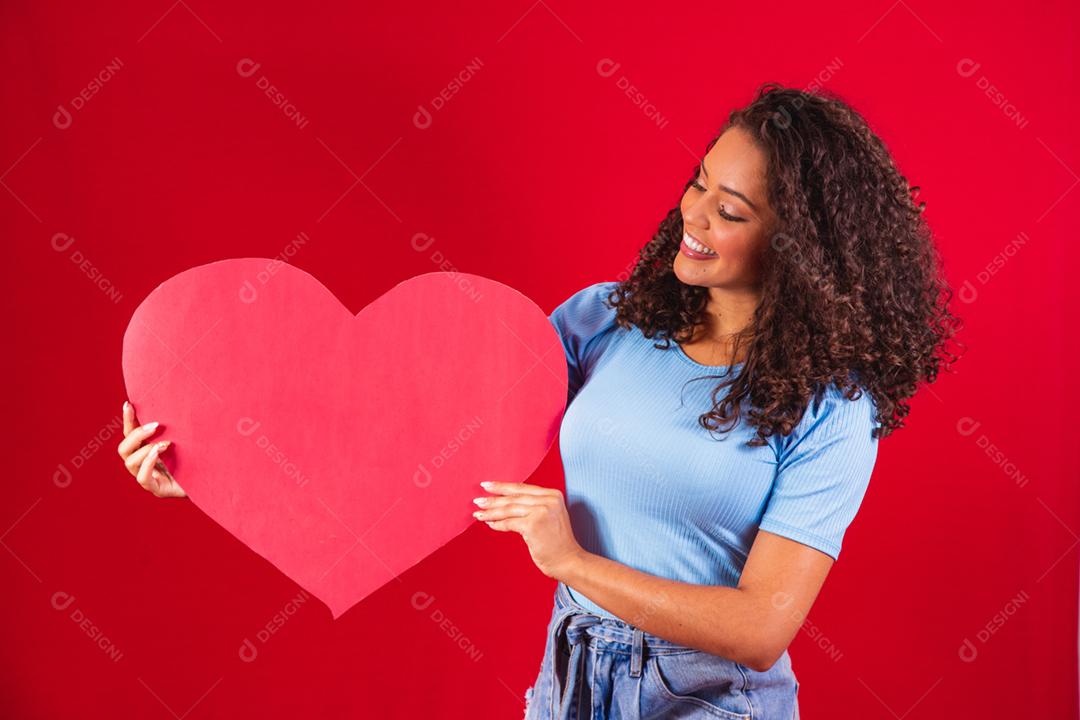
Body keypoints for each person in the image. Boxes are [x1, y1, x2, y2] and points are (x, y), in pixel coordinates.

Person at [119, 81, 961, 719]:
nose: (693, 215)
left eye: (730, 209)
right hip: (573, 677)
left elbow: (761, 627)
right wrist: (215, 462)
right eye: (699, 182)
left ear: (799, 245)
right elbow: (404, 422)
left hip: (712, 701)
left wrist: (571, 563)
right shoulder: (609, 319)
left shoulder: (831, 405)